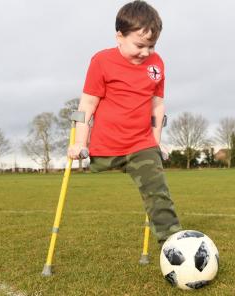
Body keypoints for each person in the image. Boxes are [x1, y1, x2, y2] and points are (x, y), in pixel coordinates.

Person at [67, 0, 182, 244]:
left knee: (158, 193)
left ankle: (173, 245)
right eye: (140, 45)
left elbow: (157, 105)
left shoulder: (157, 64)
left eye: (151, 46)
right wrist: (79, 143)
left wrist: (155, 141)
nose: (146, 52)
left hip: (141, 144)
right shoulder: (101, 61)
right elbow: (87, 105)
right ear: (119, 36)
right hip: (105, 146)